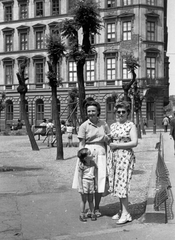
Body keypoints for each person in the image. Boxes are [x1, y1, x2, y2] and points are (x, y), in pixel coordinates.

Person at [72, 100, 110, 217]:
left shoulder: (104, 124)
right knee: (86, 179)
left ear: (98, 111)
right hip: (87, 154)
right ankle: (87, 207)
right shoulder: (84, 126)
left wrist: (109, 152)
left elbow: (109, 140)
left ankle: (96, 207)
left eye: (93, 110)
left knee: (99, 180)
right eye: (89, 111)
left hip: (101, 153)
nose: (91, 113)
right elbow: (81, 143)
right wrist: (81, 158)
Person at [107, 101, 138, 225]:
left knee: (122, 183)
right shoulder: (113, 125)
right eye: (118, 112)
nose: (120, 114)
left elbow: (134, 142)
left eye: (123, 112)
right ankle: (122, 210)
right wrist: (108, 140)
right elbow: (111, 140)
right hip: (114, 156)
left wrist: (117, 145)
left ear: (128, 113)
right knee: (117, 183)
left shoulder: (130, 125)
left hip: (125, 156)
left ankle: (126, 214)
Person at [77, 148, 98, 222]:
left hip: (91, 182)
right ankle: (82, 213)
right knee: (84, 200)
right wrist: (80, 187)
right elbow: (79, 176)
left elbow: (95, 174)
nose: (91, 154)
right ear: (85, 158)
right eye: (89, 154)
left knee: (91, 200)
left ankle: (92, 213)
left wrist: (96, 183)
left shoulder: (93, 163)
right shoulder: (82, 165)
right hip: (84, 182)